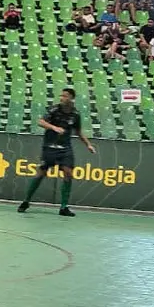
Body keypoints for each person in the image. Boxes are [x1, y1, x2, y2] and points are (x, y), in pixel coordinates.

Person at [17, 88, 96, 217]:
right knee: (41, 173)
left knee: (68, 173)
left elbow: (78, 132)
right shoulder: (54, 109)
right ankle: (26, 201)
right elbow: (41, 122)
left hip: (65, 148)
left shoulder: (75, 114)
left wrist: (88, 145)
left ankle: (64, 207)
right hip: (50, 147)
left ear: (71, 98)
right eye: (61, 96)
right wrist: (54, 127)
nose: (62, 98)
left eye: (65, 96)